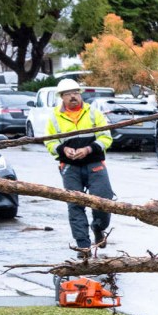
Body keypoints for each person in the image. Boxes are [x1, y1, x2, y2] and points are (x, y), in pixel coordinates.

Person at [39, 78, 116, 257]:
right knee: (75, 205)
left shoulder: (94, 114)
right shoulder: (54, 118)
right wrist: (63, 149)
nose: (73, 97)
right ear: (62, 97)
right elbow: (49, 142)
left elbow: (106, 138)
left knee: (104, 200)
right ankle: (83, 246)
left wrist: (88, 149)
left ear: (80, 94)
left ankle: (98, 227)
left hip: (95, 164)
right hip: (70, 167)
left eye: (75, 93)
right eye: (68, 94)